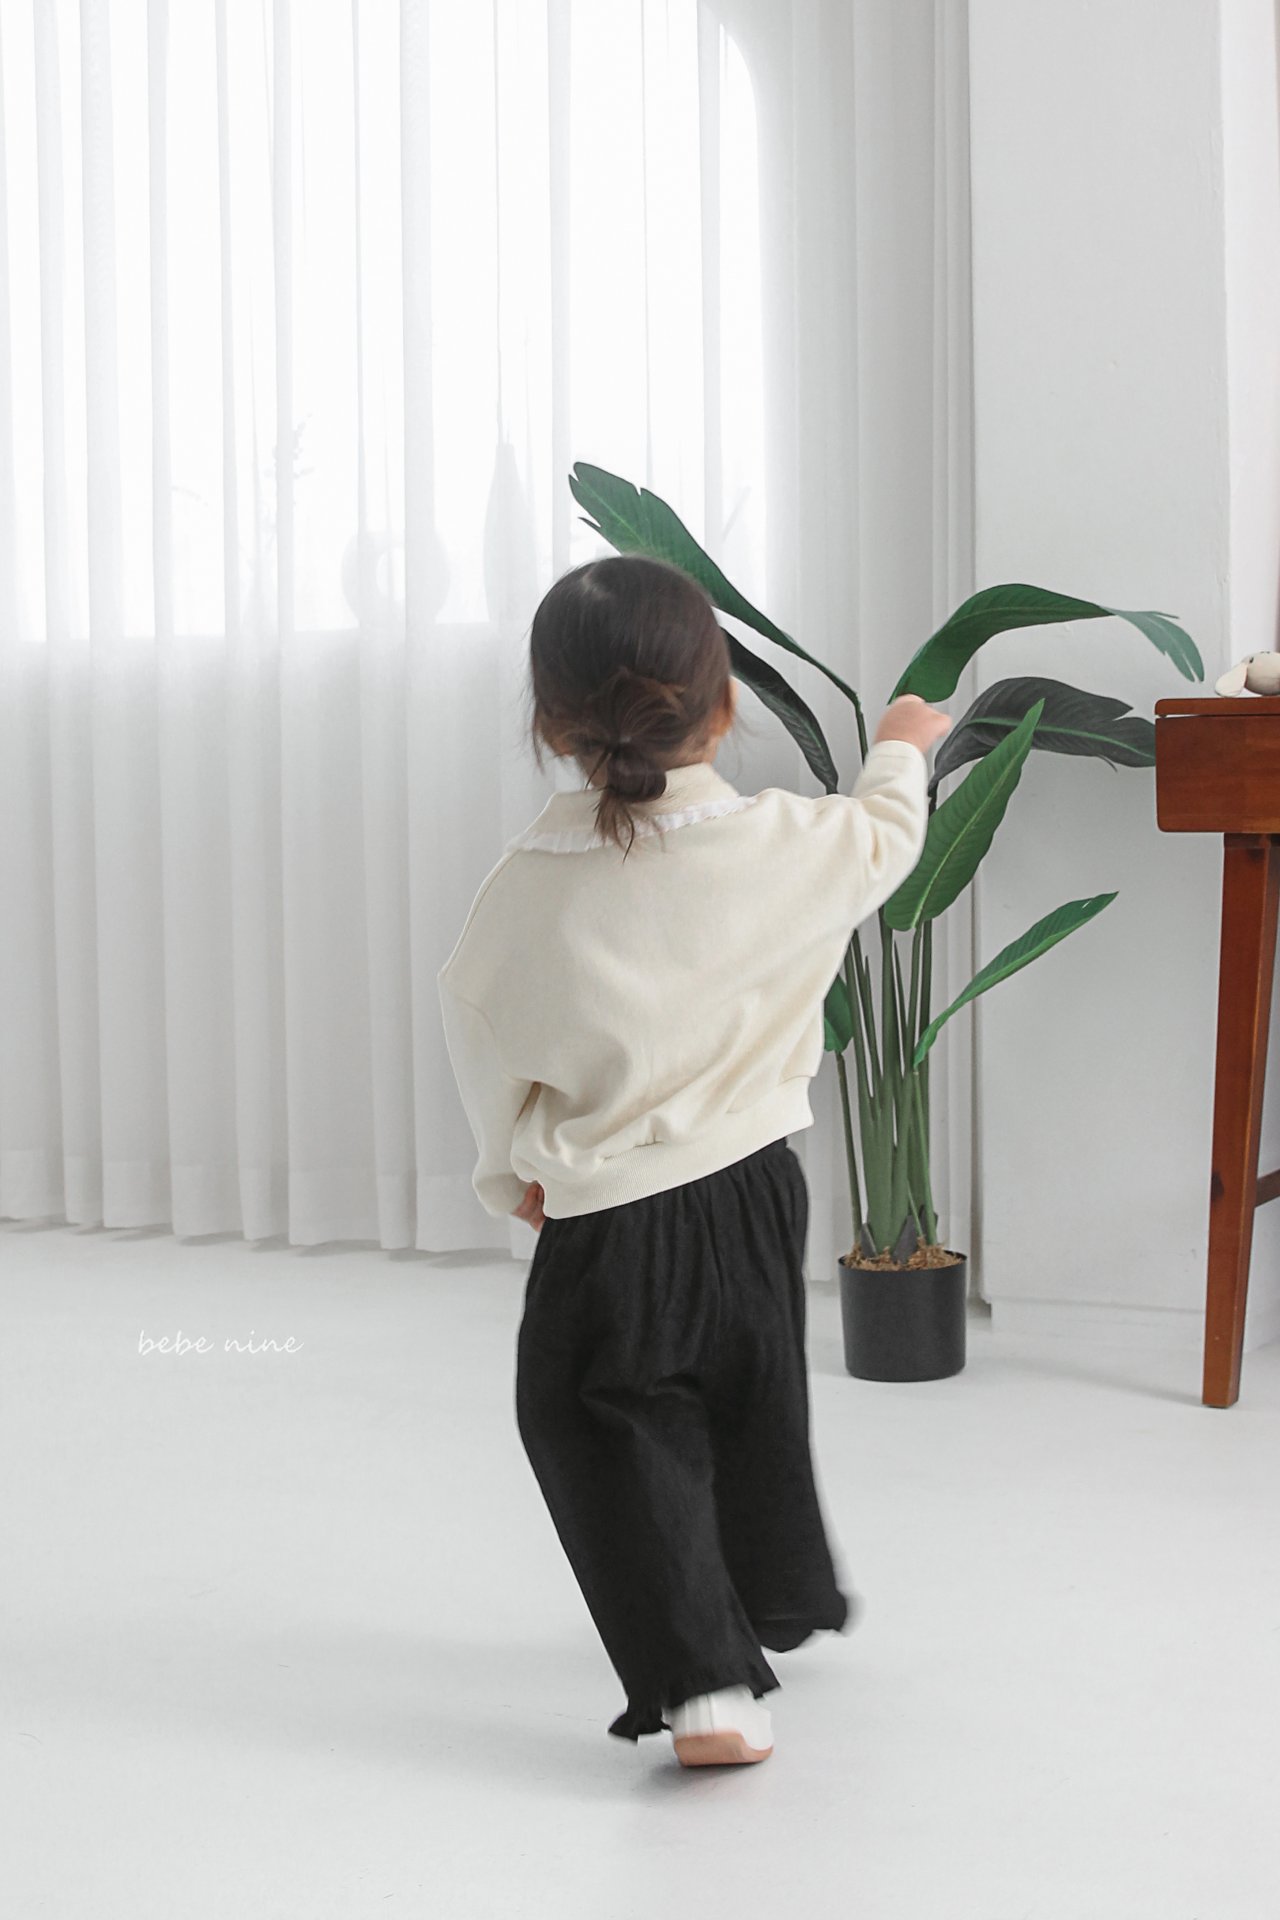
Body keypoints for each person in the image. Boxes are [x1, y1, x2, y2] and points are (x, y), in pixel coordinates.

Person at [437, 554, 951, 1767]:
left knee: (603, 1423)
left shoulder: (525, 892)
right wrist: (898, 746)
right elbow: (885, 835)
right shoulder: (789, 844)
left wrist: (507, 1174)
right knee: (746, 1396)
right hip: (758, 1190)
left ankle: (706, 1686)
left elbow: (480, 1033)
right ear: (722, 710)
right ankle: (770, 1593)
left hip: (612, 1222)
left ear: (551, 726)